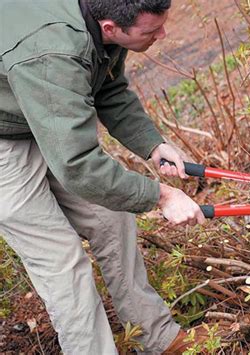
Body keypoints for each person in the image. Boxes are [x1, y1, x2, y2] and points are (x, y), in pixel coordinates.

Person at [0, 0, 208, 353]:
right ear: (110, 27)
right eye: (152, 31)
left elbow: (107, 87)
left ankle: (157, 338)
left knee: (112, 215)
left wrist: (153, 145)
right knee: (62, 261)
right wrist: (162, 196)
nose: (163, 34)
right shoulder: (54, 51)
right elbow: (78, 164)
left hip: (38, 114)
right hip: (7, 138)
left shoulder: (99, 18)